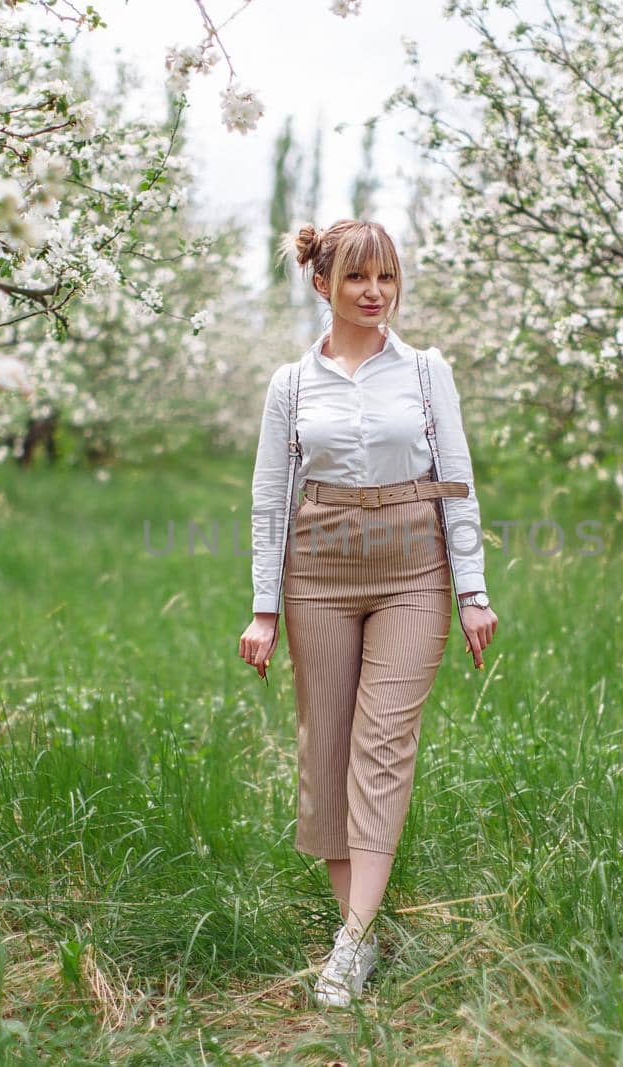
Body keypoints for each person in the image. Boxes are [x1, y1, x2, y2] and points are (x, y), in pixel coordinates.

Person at [238, 219, 500, 1008]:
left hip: (412, 572)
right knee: (327, 755)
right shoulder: (291, 384)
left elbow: (457, 479)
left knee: (381, 745)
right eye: (358, 278)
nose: (375, 292)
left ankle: (350, 944)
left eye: (386, 277)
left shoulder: (424, 372)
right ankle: (360, 926)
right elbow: (269, 498)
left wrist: (472, 589)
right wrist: (264, 607)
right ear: (323, 285)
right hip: (316, 572)